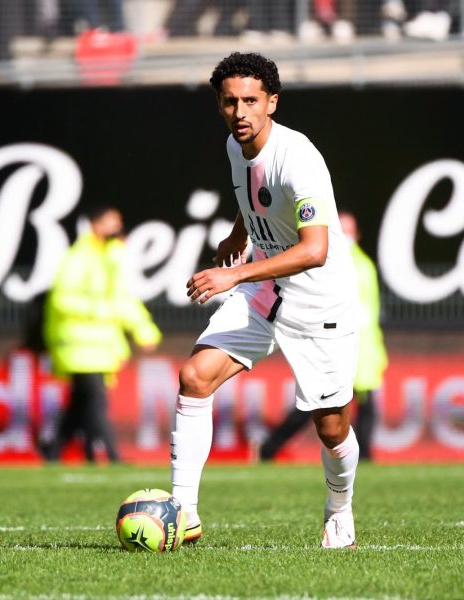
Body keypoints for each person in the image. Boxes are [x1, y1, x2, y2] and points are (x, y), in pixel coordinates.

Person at [171, 52, 360, 548]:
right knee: (195, 377)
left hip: (320, 302)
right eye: (230, 102)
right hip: (264, 291)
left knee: (331, 425)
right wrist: (239, 234)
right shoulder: (237, 146)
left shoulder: (298, 158)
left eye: (251, 101)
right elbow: (254, 195)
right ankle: (182, 512)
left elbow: (315, 250)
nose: (240, 112)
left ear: (272, 102)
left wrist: (234, 275)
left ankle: (340, 508)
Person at [259, 211, 387, 461]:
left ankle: (365, 457)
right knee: (318, 405)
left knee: (363, 406)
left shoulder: (360, 265)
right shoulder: (336, 261)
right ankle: (271, 447)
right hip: (335, 342)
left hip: (364, 348)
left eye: (350, 230)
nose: (346, 236)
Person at [41, 206, 161, 463]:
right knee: (96, 402)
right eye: (111, 222)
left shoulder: (112, 258)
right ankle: (112, 455)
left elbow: (123, 298)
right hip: (78, 343)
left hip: (100, 345)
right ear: (95, 224)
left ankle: (52, 451)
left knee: (79, 405)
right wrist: (103, 311)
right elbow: (62, 300)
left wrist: (143, 329)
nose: (117, 228)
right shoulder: (78, 257)